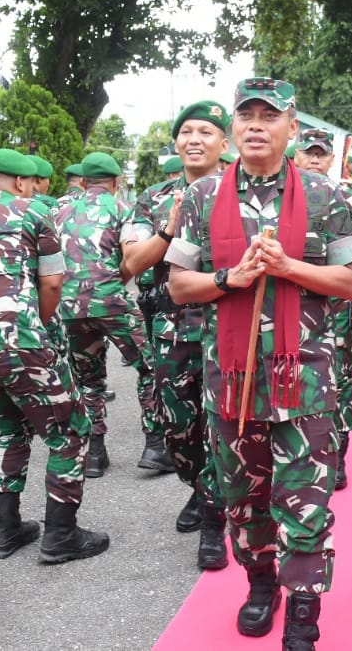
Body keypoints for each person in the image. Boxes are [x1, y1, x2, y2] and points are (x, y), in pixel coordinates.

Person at [167, 78, 352, 651]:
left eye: (268, 116)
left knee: (305, 496)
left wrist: (289, 268)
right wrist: (232, 278)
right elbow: (179, 285)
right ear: (234, 128)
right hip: (231, 381)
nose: (255, 124)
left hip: (305, 377)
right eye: (245, 114)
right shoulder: (203, 197)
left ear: (291, 130)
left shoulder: (328, 195)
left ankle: (305, 606)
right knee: (243, 496)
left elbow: (351, 283)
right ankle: (261, 584)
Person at [0, 148, 110, 565]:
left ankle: (5, 531)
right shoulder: (34, 212)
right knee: (70, 430)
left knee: (6, 431)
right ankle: (61, 536)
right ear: (21, 182)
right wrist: (37, 332)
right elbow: (51, 284)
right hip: (20, 339)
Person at [123, 101, 231, 570]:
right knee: (180, 432)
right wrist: (172, 224)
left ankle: (214, 520)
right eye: (186, 131)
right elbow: (132, 264)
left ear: (223, 143)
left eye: (206, 131)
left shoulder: (239, 193)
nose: (194, 139)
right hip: (169, 328)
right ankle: (200, 485)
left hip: (224, 323)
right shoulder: (152, 198)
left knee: (222, 427)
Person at [57, 151, 169, 475]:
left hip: (71, 306)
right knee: (148, 368)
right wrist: (109, 283)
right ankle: (155, 446)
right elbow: (131, 259)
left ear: (81, 182)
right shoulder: (121, 208)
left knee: (88, 380)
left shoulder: (59, 208)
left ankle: (94, 453)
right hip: (112, 302)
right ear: (117, 183)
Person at [294, 127, 352, 490]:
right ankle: (307, 449)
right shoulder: (285, 195)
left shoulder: (346, 198)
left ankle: (338, 451)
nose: (315, 159)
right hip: (296, 304)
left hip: (336, 306)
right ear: (296, 155)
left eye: (321, 153)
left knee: (340, 378)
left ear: (331, 159)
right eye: (309, 152)